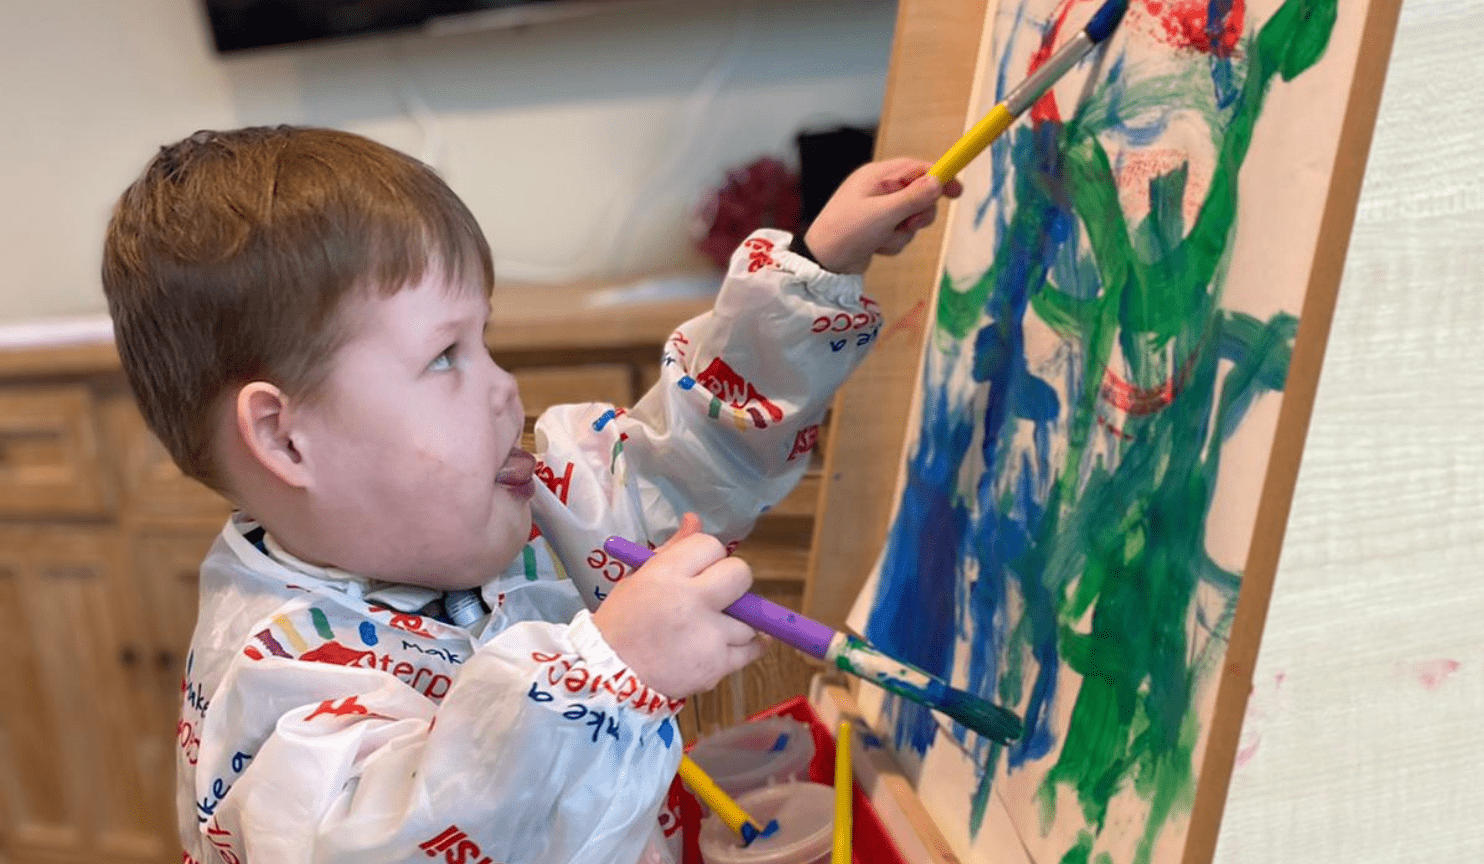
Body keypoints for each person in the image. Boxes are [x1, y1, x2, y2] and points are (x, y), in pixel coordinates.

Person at [102, 125, 958, 864]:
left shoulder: (528, 503)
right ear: (288, 439)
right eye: (444, 357)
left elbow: (685, 458)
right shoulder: (274, 689)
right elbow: (400, 831)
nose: (505, 387)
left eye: (487, 340)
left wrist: (816, 265)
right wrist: (607, 674)